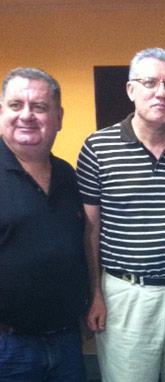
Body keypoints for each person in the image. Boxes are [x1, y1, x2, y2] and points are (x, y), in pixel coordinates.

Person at [76, 48, 165, 382]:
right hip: (126, 296)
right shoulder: (97, 148)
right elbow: (91, 232)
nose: (161, 92)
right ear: (130, 89)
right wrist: (95, 295)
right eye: (149, 82)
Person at [0, 67, 89, 381]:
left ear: (59, 117)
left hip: (66, 340)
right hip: (9, 347)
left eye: (39, 107)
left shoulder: (68, 174)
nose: (27, 115)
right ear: (1, 112)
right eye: (15, 105)